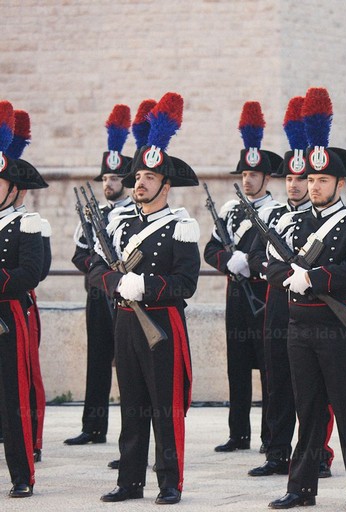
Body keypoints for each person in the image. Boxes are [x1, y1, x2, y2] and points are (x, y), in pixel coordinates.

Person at [266, 87, 346, 512]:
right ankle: (301, 488)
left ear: (339, 184)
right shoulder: (289, 222)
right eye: (310, 179)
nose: (313, 186)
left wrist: (311, 277)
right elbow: (269, 266)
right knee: (307, 410)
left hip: (337, 326)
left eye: (322, 180)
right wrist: (290, 276)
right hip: (299, 326)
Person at [92, 93, 200, 505]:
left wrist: (147, 286)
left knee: (165, 408)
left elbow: (186, 283)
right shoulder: (118, 223)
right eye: (138, 177)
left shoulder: (181, 225)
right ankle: (130, 479)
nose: (140, 183)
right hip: (125, 319)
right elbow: (97, 266)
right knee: (131, 403)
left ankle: (169, 481)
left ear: (165, 185)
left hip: (161, 323)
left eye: (150, 178)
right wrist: (114, 284)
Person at [247, 96, 335, 479]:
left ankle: (318, 453)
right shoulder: (274, 216)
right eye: (291, 179)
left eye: (304, 179)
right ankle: (277, 450)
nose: (296, 185)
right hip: (279, 306)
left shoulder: (328, 218)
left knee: (315, 387)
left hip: (314, 306)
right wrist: (276, 271)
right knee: (277, 379)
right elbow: (253, 259)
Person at [204, 101, 281, 454]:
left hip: (263, 295)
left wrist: (247, 262)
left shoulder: (276, 212)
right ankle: (239, 434)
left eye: (253, 175)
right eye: (244, 174)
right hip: (236, 296)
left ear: (266, 178)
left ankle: (269, 436)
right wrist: (227, 261)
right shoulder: (229, 210)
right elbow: (210, 250)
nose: (247, 179)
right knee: (237, 366)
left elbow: (274, 253)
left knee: (268, 368)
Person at [67, 104, 135, 448]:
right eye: (105, 178)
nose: (108, 184)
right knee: (97, 360)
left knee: (126, 367)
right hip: (97, 294)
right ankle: (93, 428)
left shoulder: (132, 215)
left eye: (114, 178)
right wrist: (96, 267)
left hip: (122, 295)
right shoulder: (93, 215)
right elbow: (78, 254)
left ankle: (130, 435)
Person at [0, 100, 44, 498]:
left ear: (14, 189)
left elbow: (33, 272)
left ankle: (22, 474)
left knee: (14, 398)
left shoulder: (27, 223)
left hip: (9, 316)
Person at [5, 109, 51, 464]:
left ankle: (27, 451)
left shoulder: (32, 223)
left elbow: (36, 270)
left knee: (22, 382)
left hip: (17, 307)